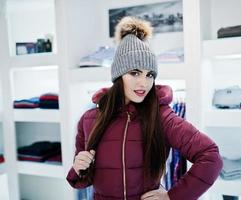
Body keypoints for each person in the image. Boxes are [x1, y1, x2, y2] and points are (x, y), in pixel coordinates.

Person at [67, 16, 223, 200]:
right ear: (118, 76)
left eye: (150, 75)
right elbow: (84, 181)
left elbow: (210, 156)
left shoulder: (161, 116)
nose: (143, 83)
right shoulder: (89, 119)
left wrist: (172, 196)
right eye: (134, 73)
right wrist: (77, 169)